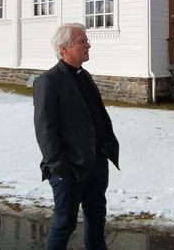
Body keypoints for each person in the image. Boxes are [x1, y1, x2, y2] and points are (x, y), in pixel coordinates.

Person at [33, 22, 120, 250]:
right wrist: (61, 168)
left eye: (86, 40)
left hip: (95, 163)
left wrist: (105, 148)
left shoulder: (85, 75)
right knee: (64, 224)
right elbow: (45, 131)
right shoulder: (48, 81)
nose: (88, 45)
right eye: (82, 41)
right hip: (68, 169)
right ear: (65, 48)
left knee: (96, 220)